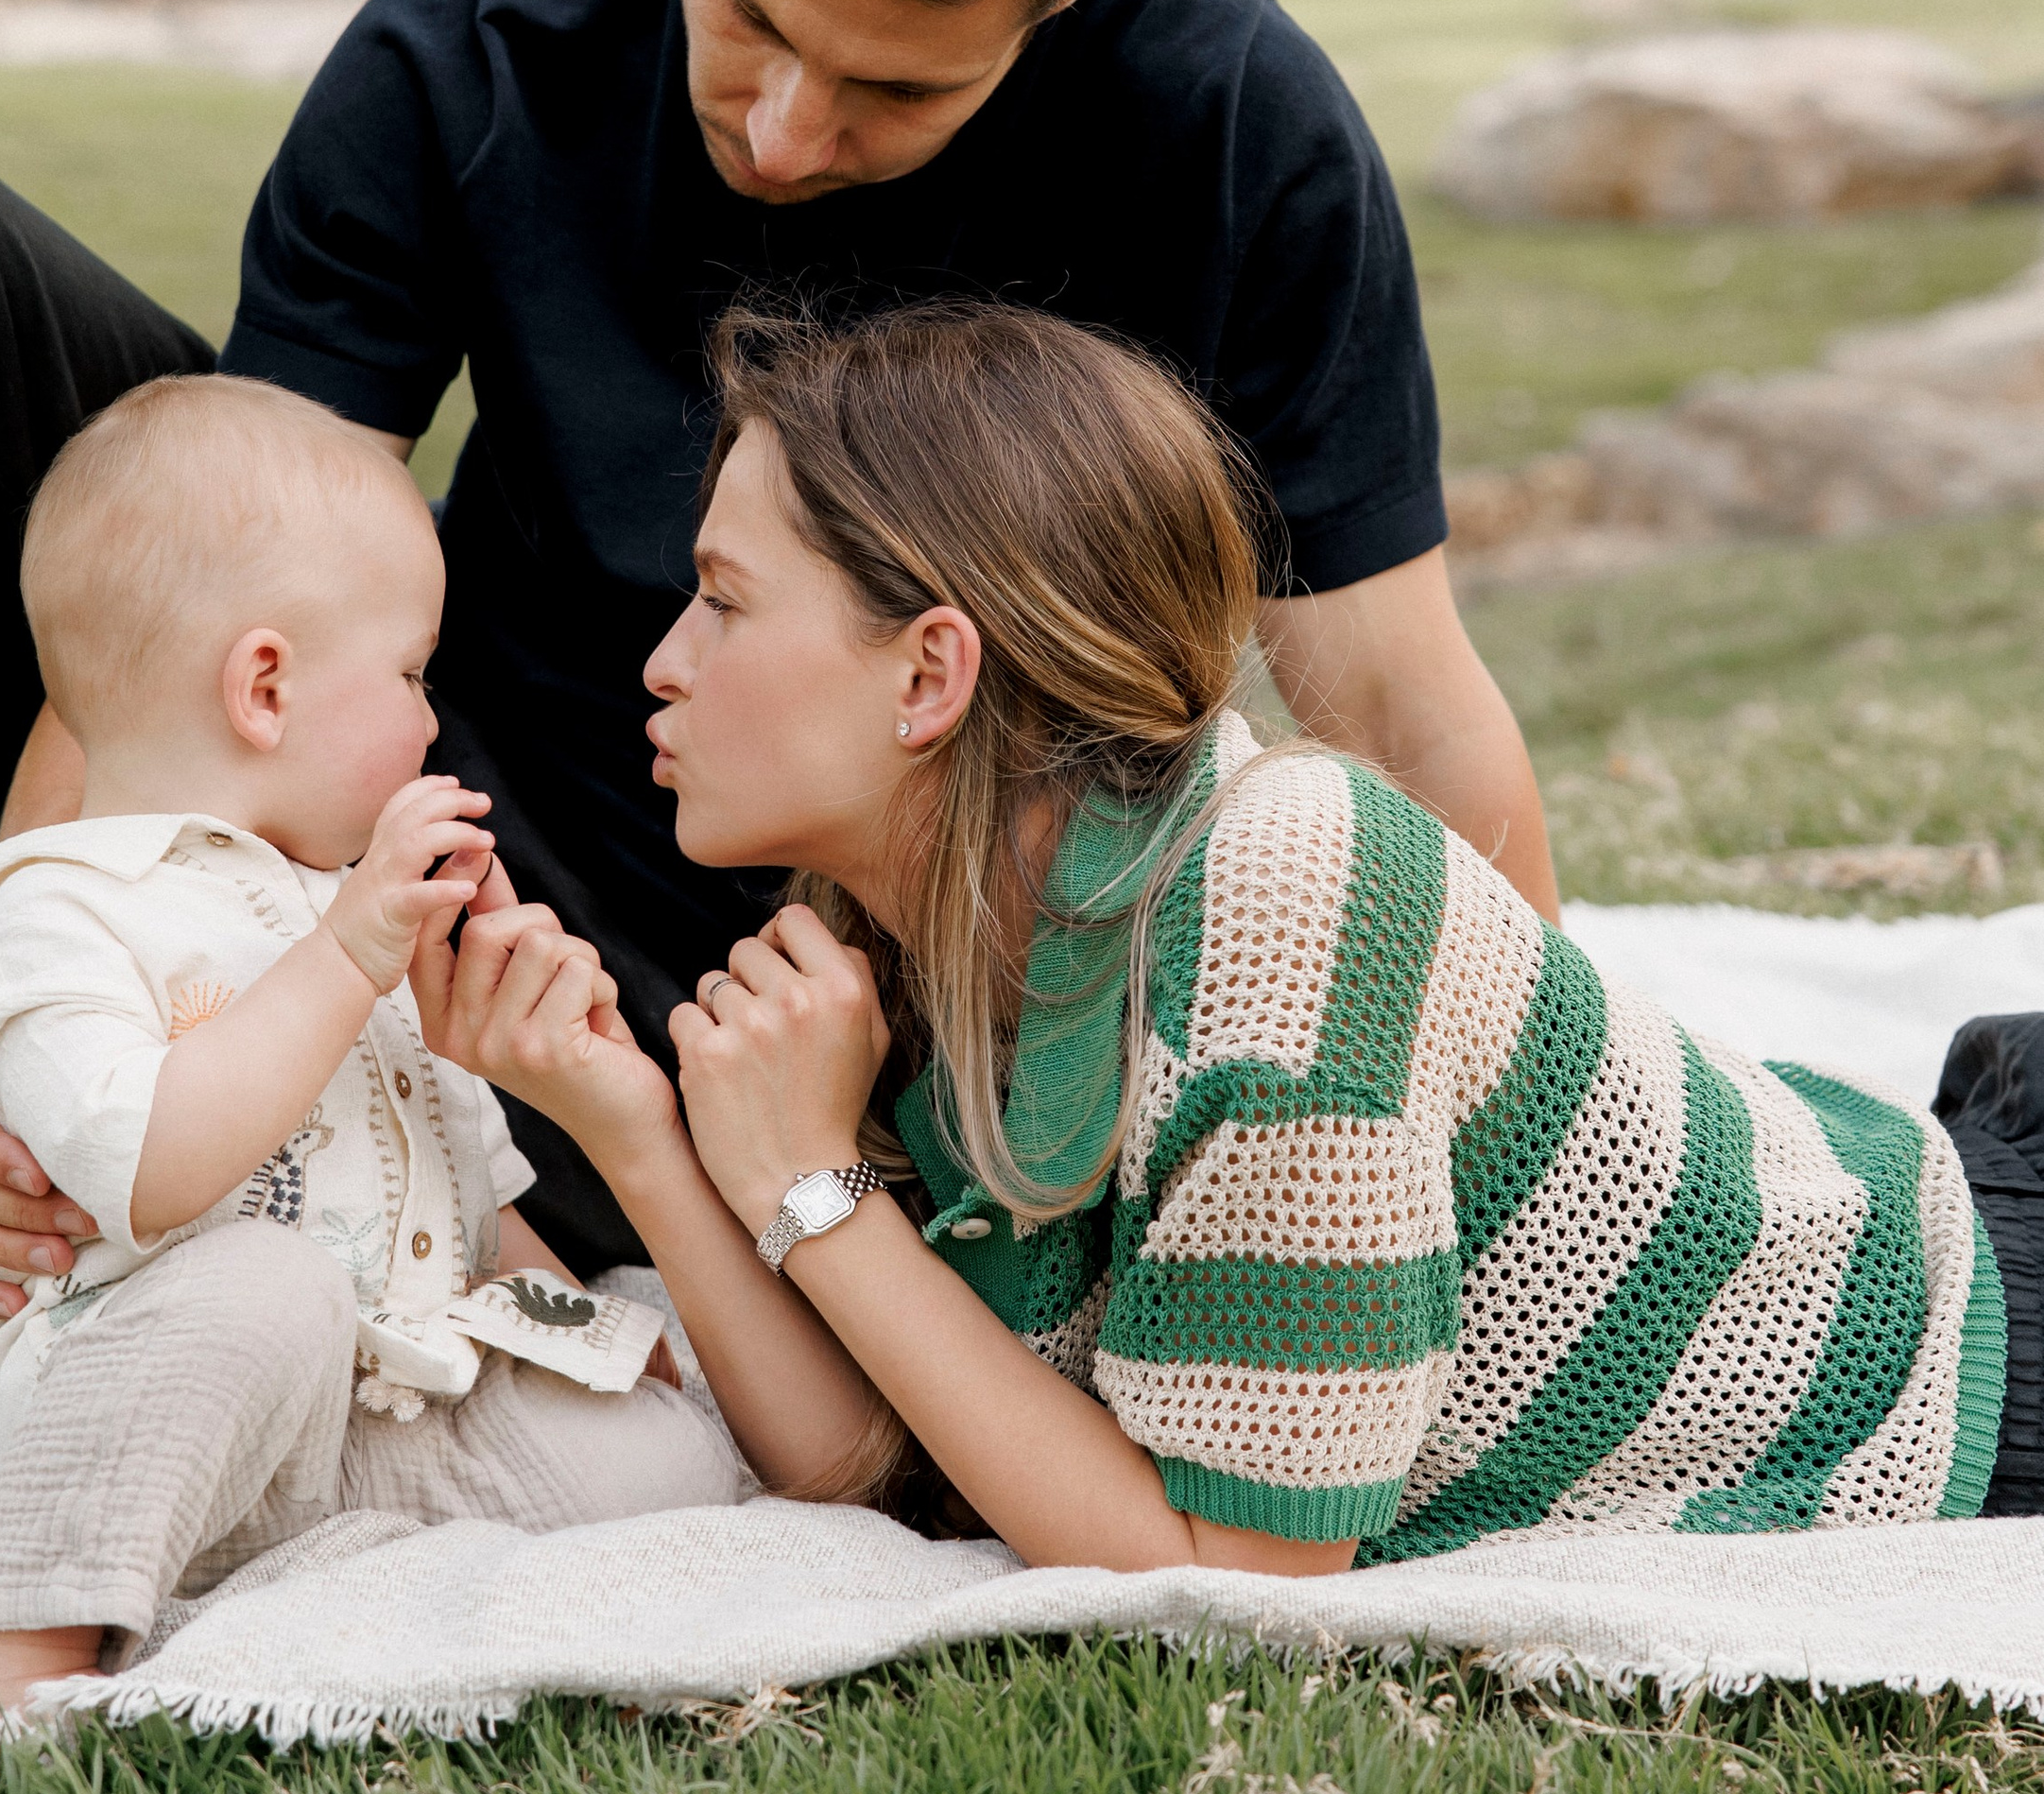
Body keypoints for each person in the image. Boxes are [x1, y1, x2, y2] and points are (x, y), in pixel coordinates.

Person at [0, 0, 1548, 1496]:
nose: (784, 134)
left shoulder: (1234, 127)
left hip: (805, 1023)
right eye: (750, 19)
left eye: (894, 90)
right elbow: (226, 608)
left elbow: (1395, 712)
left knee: (73, 1309)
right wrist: (46, 1006)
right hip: (415, 848)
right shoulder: (475, 48)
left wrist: (1510, 1197)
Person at [440, 301, 2035, 1566]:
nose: (659, 661)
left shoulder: (1280, 907)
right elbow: (877, 1454)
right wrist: (646, 1135)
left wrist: (816, 1194)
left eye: (722, 601)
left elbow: (1234, 1571)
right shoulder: (907, 928)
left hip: (1956, 1353)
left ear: (929, 676)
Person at [0, 373, 736, 1712]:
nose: (433, 718)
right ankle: (14, 1643)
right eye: (415, 676)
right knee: (263, 1289)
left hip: (374, 1417)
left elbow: (477, 1195)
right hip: (145, 1402)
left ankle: (350, 1560)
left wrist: (583, 1329)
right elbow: (148, 1168)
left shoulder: (343, 904)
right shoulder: (64, 905)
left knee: (669, 1453)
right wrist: (346, 957)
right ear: (265, 687)